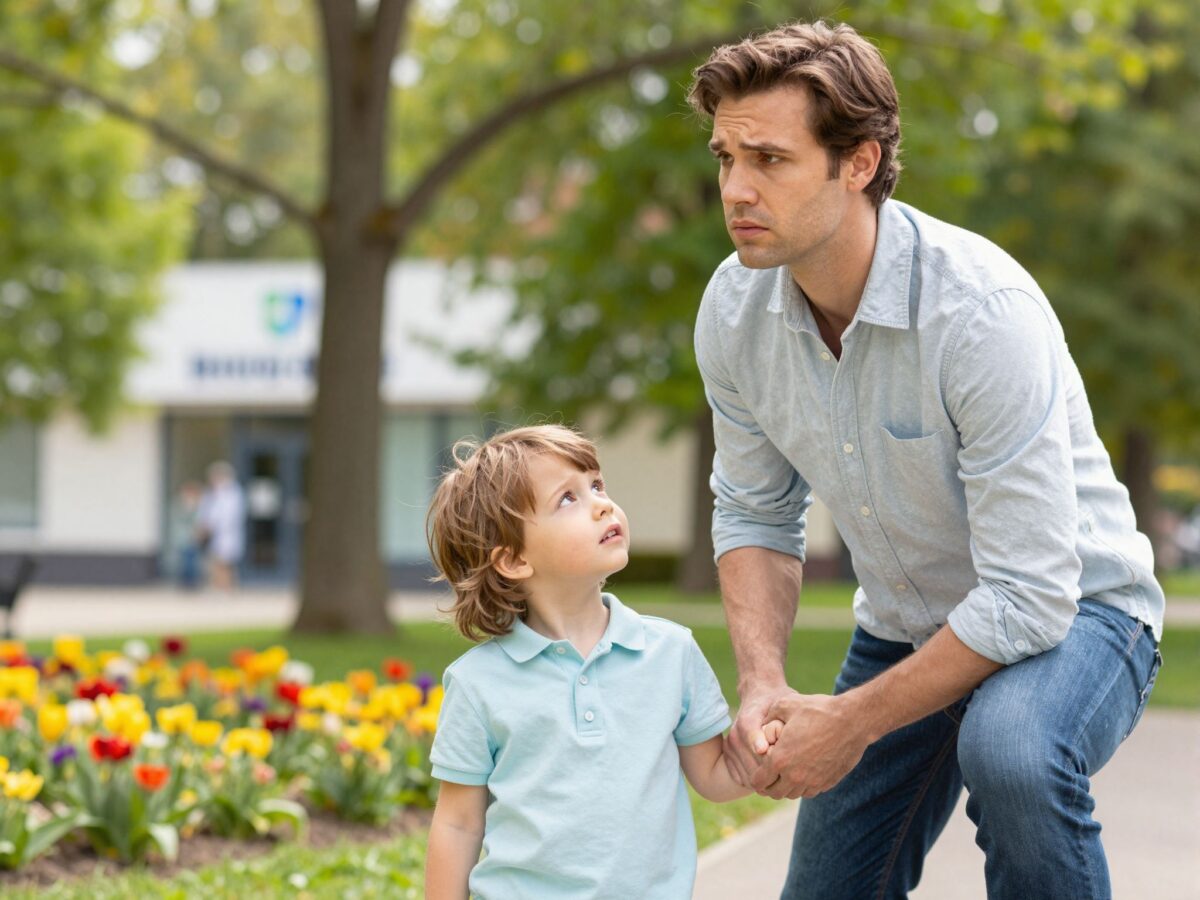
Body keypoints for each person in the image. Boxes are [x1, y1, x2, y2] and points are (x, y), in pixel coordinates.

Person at [686, 21, 1165, 900]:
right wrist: (763, 685)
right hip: (909, 622)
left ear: (858, 163)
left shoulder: (980, 313)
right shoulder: (732, 310)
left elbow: (1029, 594)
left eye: (770, 159)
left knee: (1011, 752)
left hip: (1077, 613)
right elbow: (756, 513)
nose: (736, 189)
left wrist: (851, 722)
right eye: (724, 157)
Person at [423, 425, 779, 899]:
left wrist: (768, 753)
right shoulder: (477, 683)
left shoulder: (671, 653)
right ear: (512, 560)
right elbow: (458, 824)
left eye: (596, 485)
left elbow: (714, 776)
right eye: (567, 499)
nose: (602, 504)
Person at [197, 460, 246, 592]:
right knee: (216, 561)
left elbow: (227, 515)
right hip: (215, 533)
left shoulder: (232, 493)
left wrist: (211, 526)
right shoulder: (213, 493)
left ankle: (226, 587)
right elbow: (206, 511)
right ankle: (219, 586)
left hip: (225, 533)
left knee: (224, 562)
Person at [166, 480, 205, 589]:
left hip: (194, 537)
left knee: (192, 561)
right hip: (182, 537)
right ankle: (184, 583)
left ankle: (192, 583)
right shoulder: (178, 504)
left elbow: (200, 520)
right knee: (184, 561)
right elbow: (179, 519)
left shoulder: (198, 504)